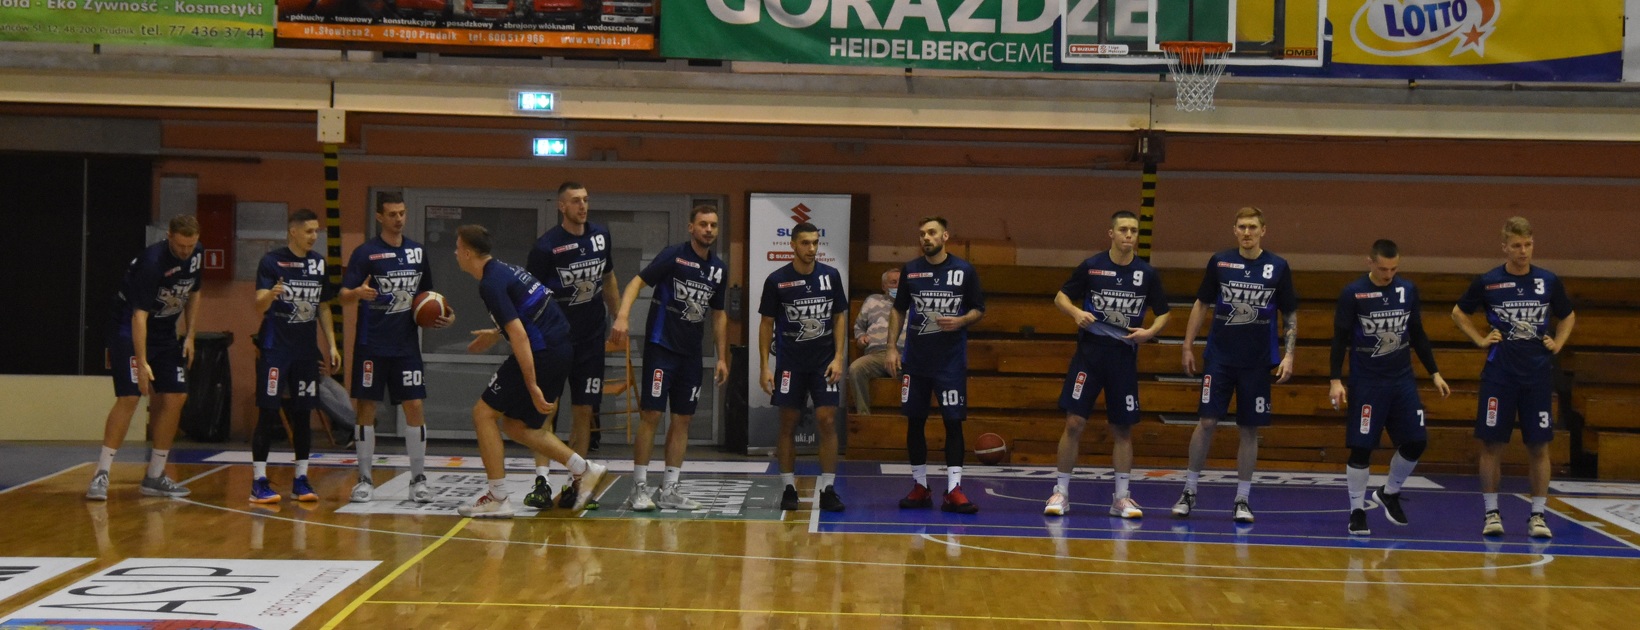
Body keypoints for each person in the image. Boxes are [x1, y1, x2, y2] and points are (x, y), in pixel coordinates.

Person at [453, 224, 608, 518]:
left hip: (543, 352)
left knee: (483, 414)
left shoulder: (490, 283)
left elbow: (521, 335)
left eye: (458, 248)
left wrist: (532, 384)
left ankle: (498, 497)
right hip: (559, 347)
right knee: (516, 426)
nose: (455, 253)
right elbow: (529, 314)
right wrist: (496, 333)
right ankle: (584, 469)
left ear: (469, 252)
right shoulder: (506, 270)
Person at [1451, 217, 1574, 539]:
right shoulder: (1489, 281)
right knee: (1492, 444)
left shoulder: (1548, 281)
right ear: (1504, 247)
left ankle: (1538, 516)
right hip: (1500, 376)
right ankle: (1492, 513)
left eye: (1528, 245)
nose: (1523, 251)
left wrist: (1558, 343)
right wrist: (1480, 339)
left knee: (1539, 445)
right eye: (1517, 245)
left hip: (1537, 376)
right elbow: (1458, 312)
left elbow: (1568, 315)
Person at [1175, 206, 1299, 523]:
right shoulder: (1220, 262)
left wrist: (1289, 354)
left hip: (1257, 362)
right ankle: (1189, 491)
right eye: (1242, 227)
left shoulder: (1278, 266)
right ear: (1234, 230)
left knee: (1249, 428)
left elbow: (1289, 312)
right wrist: (1187, 345)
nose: (1247, 232)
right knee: (1206, 422)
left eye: (1252, 227)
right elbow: (1201, 303)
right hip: (1220, 358)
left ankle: (1242, 499)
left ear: (1263, 230)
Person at [1044, 211, 1171, 518]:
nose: (1129, 235)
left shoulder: (1147, 273)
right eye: (1123, 229)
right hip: (1089, 355)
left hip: (1123, 358)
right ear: (1111, 233)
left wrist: (1150, 332)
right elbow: (1060, 297)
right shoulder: (1092, 266)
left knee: (1123, 428)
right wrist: (1076, 313)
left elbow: (1164, 312)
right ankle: (1061, 492)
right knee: (1074, 422)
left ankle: (1122, 498)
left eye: (1133, 230)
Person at [611, 205, 729, 511]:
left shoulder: (718, 269)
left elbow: (719, 314)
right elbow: (636, 282)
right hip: (661, 347)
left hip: (691, 354)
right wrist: (622, 316)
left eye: (713, 225)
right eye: (703, 224)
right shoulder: (673, 255)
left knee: (683, 418)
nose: (708, 230)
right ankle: (639, 487)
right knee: (652, 414)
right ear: (691, 227)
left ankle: (670, 489)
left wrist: (721, 357)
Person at [1330, 239, 1451, 536]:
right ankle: (1357, 511)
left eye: (1394, 269)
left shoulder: (1407, 290)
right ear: (1370, 262)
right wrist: (1335, 380)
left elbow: (1418, 333)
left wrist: (1434, 373)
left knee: (1416, 441)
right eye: (1383, 269)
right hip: (1367, 382)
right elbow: (1340, 339)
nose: (1388, 275)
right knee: (1362, 448)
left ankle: (1390, 492)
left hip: (1401, 380)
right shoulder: (1353, 293)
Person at [340, 192, 450, 504]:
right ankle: (364, 479)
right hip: (371, 344)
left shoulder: (417, 252)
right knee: (367, 408)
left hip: (406, 345)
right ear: (379, 217)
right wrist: (357, 293)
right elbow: (343, 294)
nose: (399, 219)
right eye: (392, 214)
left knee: (414, 405)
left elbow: (428, 296)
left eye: (401, 213)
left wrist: (444, 314)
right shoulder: (366, 253)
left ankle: (418, 479)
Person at [86, 215, 204, 501]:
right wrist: (141, 363)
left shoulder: (197, 255)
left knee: (176, 396)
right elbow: (139, 317)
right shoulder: (152, 263)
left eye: (190, 246)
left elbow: (195, 293)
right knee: (130, 397)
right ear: (169, 236)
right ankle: (101, 473)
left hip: (164, 332)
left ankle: (155, 476)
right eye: (180, 245)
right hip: (129, 329)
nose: (186, 251)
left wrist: (190, 335)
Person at [522, 182, 619, 510]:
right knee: (546, 409)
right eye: (576, 201)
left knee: (584, 410)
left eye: (586, 200)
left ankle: (577, 485)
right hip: (556, 340)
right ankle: (541, 481)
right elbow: (529, 295)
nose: (583, 206)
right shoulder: (546, 247)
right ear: (561, 206)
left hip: (591, 339)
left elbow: (609, 277)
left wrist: (619, 317)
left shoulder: (600, 236)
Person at [888, 216, 985, 514]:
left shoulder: (964, 270)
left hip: (950, 363)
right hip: (916, 362)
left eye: (932, 233)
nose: (926, 238)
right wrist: (891, 348)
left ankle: (954, 489)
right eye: (922, 234)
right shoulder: (911, 270)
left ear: (945, 236)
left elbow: (978, 309)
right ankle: (920, 486)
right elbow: (898, 309)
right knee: (914, 422)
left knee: (953, 423)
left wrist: (961, 320)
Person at [250, 209, 340, 504]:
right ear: (293, 231)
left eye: (317, 231)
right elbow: (258, 305)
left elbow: (323, 306)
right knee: (268, 412)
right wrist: (270, 294)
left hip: (305, 350)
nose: (314, 236)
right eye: (309, 231)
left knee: (304, 413)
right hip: (276, 349)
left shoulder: (318, 263)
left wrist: (332, 345)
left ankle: (301, 479)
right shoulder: (271, 261)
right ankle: (258, 481)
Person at [758, 222, 849, 512]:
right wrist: (764, 366)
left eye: (815, 243)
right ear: (793, 245)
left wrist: (839, 357)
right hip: (790, 364)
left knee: (827, 420)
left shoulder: (830, 276)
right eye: (805, 243)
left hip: (824, 362)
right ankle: (788, 487)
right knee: (788, 423)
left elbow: (839, 316)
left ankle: (829, 489)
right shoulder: (777, 280)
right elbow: (766, 323)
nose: (811, 248)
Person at [847, 269, 902, 415]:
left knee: (919, 371)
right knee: (855, 369)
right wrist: (861, 337)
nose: (898, 286)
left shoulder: (912, 302)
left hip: (901, 354)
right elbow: (859, 326)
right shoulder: (872, 300)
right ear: (884, 286)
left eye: (901, 282)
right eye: (893, 283)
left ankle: (909, 417)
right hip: (875, 354)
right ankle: (864, 416)